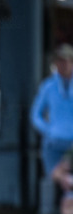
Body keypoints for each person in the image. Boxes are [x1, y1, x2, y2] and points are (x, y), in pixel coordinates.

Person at [31, 44, 73, 175]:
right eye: (60, 61)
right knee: (54, 179)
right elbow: (35, 115)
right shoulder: (48, 86)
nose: (63, 65)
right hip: (54, 144)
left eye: (66, 61)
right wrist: (49, 130)